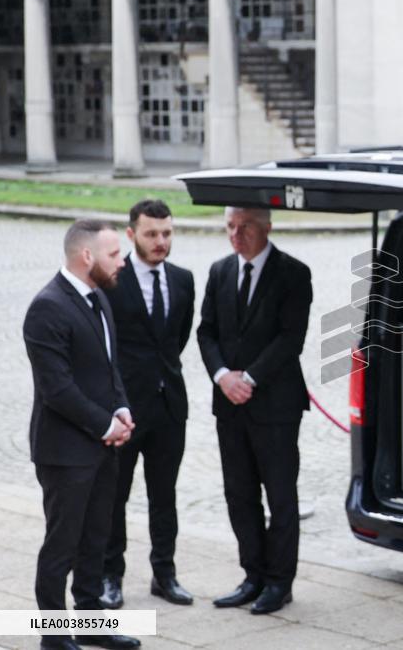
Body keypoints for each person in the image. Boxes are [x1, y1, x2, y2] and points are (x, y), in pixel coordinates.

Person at [23, 220, 141, 650]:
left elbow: (109, 368)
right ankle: (53, 638)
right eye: (115, 254)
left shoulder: (99, 298)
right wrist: (106, 425)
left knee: (97, 540)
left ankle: (92, 626)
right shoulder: (47, 307)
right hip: (65, 452)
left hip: (101, 447)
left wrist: (122, 408)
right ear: (86, 256)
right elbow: (57, 389)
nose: (123, 261)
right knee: (63, 545)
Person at [197, 207, 312, 615]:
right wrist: (223, 375)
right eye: (229, 226)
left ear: (266, 227)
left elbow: (290, 338)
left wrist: (251, 378)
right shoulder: (219, 271)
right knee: (239, 495)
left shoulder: (293, 273)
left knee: (280, 497)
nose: (236, 234)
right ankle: (253, 575)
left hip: (276, 405)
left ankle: (280, 583)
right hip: (229, 404)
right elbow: (205, 330)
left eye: (244, 226)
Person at [99, 200, 195, 609]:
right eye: (152, 234)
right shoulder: (112, 282)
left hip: (170, 406)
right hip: (125, 409)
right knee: (114, 495)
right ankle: (110, 576)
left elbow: (178, 338)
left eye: (167, 234)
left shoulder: (184, 279)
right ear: (131, 234)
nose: (160, 242)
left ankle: (165, 573)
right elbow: (103, 347)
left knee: (164, 495)